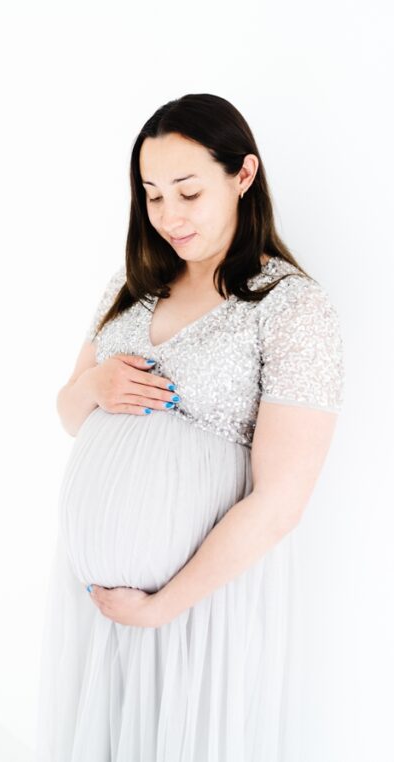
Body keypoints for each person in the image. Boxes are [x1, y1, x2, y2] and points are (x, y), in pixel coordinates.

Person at [35, 93, 344, 760]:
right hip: (95, 604)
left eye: (187, 191)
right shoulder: (131, 285)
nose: (168, 216)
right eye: (151, 195)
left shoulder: (291, 307)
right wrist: (93, 385)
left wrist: (164, 605)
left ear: (243, 175)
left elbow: (280, 503)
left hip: (198, 603)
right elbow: (68, 414)